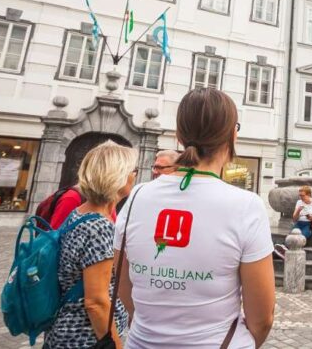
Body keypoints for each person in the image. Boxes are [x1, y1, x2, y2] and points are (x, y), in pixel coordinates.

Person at [114, 88, 275, 348]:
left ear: (179, 136)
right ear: (233, 134)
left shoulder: (137, 197)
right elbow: (262, 317)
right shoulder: (247, 206)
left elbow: (124, 288)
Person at [43, 141, 136, 349]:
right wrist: (116, 345)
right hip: (85, 338)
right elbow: (96, 303)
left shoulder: (82, 212)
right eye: (132, 171)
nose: (134, 176)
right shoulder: (99, 226)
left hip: (67, 331)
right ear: (117, 175)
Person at [114, 149, 181, 214]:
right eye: (154, 167)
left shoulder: (182, 196)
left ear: (176, 169)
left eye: (160, 168)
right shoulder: (141, 191)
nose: (155, 172)